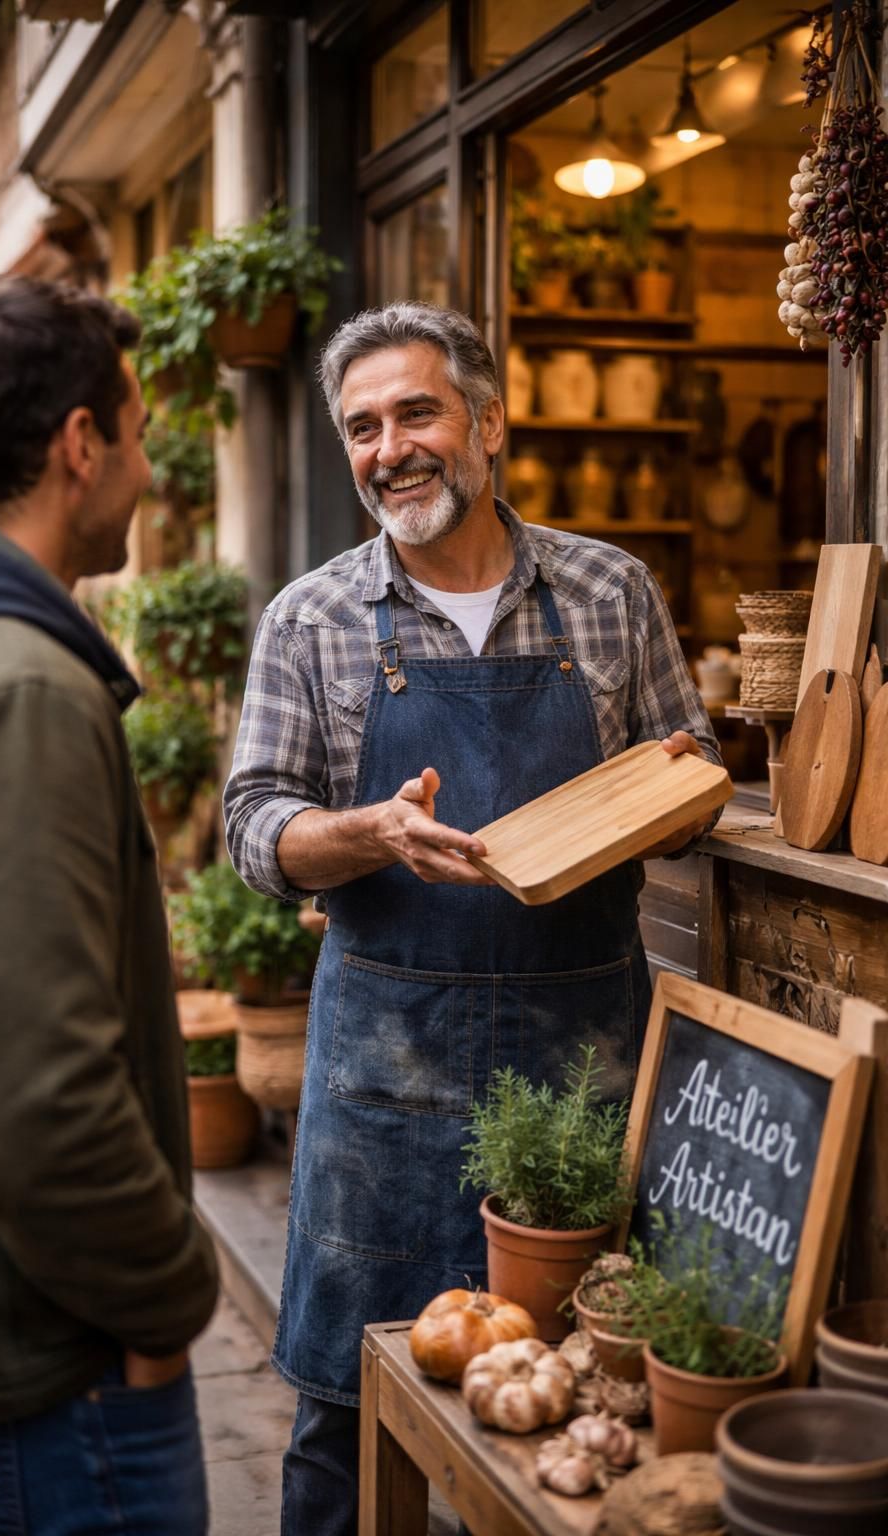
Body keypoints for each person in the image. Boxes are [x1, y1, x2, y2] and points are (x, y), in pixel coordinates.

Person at [224, 301, 721, 1535]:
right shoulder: (311, 615)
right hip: (383, 1068)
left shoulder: (611, 591)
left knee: (578, 1392)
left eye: (415, 413)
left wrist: (659, 793)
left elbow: (694, 773)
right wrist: (368, 833)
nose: (387, 447)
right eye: (361, 427)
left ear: (488, 424)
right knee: (345, 1412)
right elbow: (252, 827)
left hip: (584, 1061)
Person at [0, 277, 218, 1536]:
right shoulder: (6, 690)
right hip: (29, 1398)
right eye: (135, 426)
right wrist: (176, 1298)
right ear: (81, 446)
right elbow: (36, 1110)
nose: (147, 461)